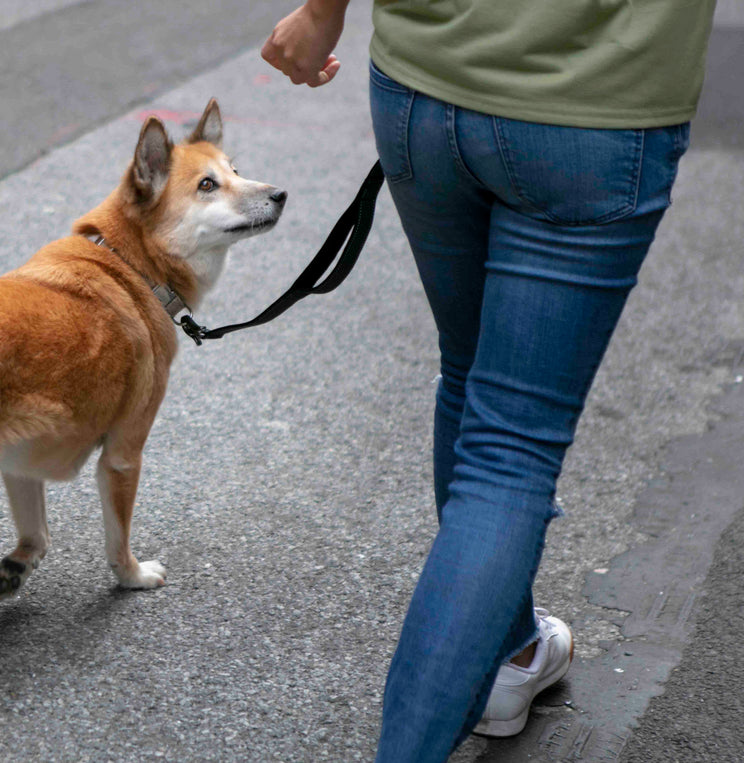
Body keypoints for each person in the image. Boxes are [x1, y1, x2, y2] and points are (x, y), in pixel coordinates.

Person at [261, 1, 716, 760]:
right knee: (510, 451)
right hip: (592, 103)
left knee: (471, 376)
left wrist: (322, 10)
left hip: (424, 87)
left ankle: (510, 657)